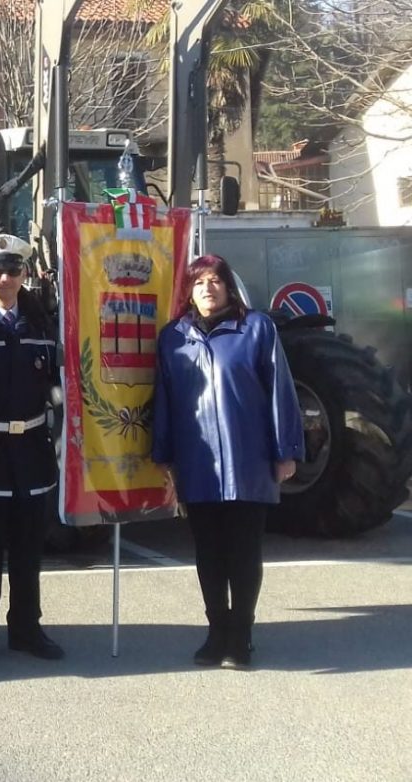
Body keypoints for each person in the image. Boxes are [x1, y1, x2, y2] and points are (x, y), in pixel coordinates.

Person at [152, 254, 303, 669]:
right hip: (198, 462)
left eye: (216, 280)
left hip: (247, 461)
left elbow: (280, 390)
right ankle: (216, 631)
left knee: (243, 551)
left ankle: (242, 636)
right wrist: (163, 455)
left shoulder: (256, 329)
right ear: (189, 291)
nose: (208, 288)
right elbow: (163, 399)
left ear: (228, 287)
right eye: (199, 282)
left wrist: (286, 450)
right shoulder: (173, 337)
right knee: (209, 552)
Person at [0, 234, 66, 664]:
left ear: (25, 273)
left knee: (28, 549)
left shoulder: (43, 325)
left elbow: (58, 387)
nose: (5, 279)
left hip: (32, 451)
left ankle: (27, 628)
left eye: (13, 271)